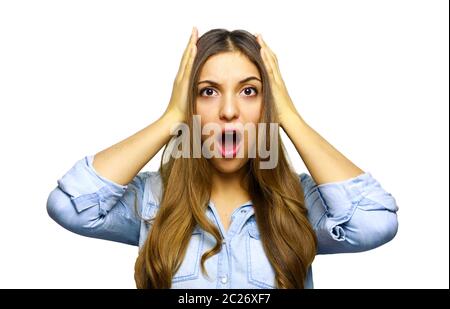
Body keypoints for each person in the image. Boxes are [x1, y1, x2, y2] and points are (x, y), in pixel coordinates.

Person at [46, 27, 399, 289]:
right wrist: (171, 119)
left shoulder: (301, 202)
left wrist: (289, 117)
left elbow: (374, 222)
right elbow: (69, 205)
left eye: (249, 91)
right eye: (208, 92)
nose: (229, 111)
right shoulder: (153, 199)